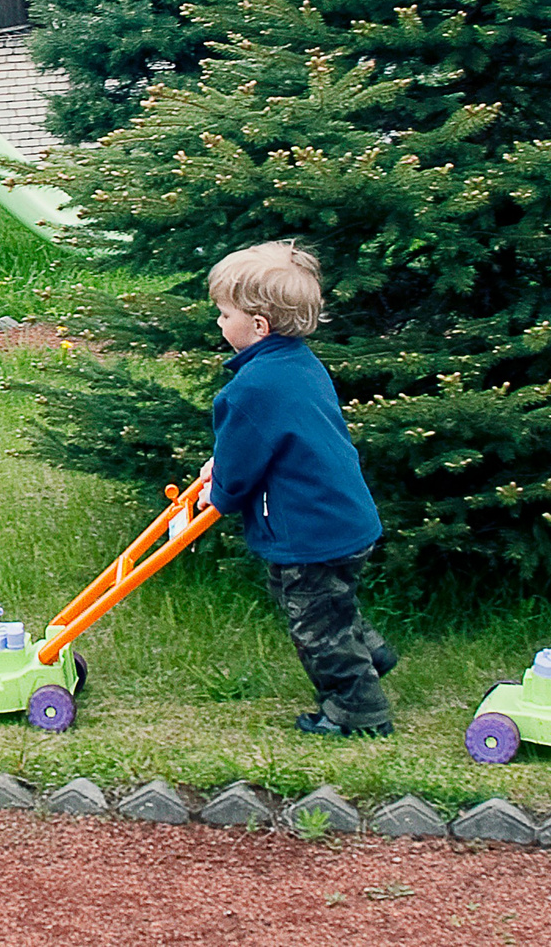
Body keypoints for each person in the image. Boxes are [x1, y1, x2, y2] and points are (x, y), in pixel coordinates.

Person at [201, 241, 397, 738]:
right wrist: (220, 465)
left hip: (309, 529)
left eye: (225, 314)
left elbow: (241, 468)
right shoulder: (300, 364)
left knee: (315, 626)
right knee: (323, 600)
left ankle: (358, 712)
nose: (220, 323)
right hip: (344, 517)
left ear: (258, 325)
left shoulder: (250, 389)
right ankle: (370, 652)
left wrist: (218, 494)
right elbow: (282, 438)